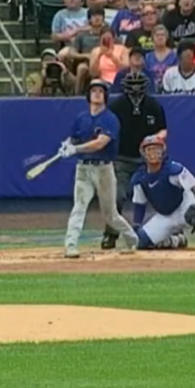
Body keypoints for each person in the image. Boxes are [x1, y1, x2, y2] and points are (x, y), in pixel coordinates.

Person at [58, 80, 139, 258]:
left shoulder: (110, 119)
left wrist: (76, 149)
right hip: (83, 169)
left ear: (105, 96)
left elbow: (100, 143)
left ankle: (132, 238)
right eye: (93, 91)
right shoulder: (81, 118)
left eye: (100, 91)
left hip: (103, 169)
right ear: (88, 95)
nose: (96, 94)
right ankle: (70, 245)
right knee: (79, 206)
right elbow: (74, 137)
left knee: (110, 214)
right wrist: (66, 145)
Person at [131, 135, 195, 251]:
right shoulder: (139, 179)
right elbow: (139, 205)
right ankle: (176, 240)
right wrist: (136, 227)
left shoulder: (174, 169)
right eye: (149, 150)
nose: (153, 153)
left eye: (157, 149)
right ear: (143, 154)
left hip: (184, 207)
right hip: (165, 215)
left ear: (163, 151)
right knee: (140, 241)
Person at [101, 72, 168, 250]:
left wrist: (153, 140)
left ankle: (171, 231)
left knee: (162, 195)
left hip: (148, 160)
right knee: (117, 197)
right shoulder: (117, 106)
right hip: (122, 159)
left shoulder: (153, 105)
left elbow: (163, 130)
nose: (137, 91)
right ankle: (111, 233)